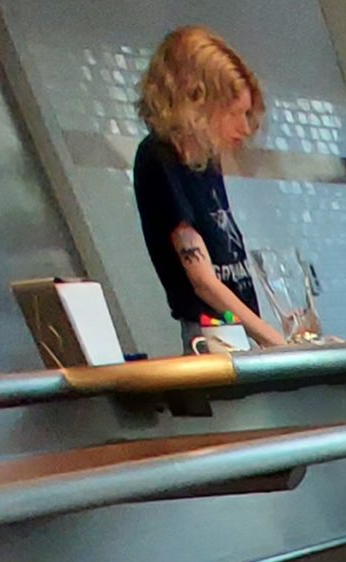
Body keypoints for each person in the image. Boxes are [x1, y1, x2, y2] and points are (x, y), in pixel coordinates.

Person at [132, 27, 285, 350]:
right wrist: (278, 342)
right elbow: (203, 282)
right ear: (199, 103)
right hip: (212, 334)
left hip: (233, 330)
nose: (244, 128)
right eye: (235, 114)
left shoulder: (205, 161)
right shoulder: (160, 157)